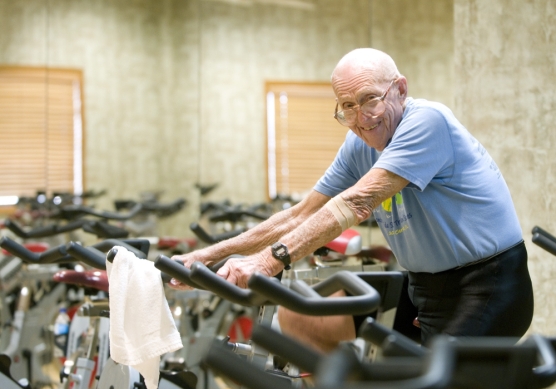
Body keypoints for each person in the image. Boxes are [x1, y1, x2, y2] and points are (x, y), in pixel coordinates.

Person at [171, 48, 534, 353]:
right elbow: (301, 214)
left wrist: (267, 262)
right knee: (301, 317)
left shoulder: (427, 122)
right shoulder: (359, 145)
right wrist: (207, 256)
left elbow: (357, 202)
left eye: (369, 100)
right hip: (423, 287)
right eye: (347, 106)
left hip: (488, 285)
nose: (361, 119)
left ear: (400, 89)